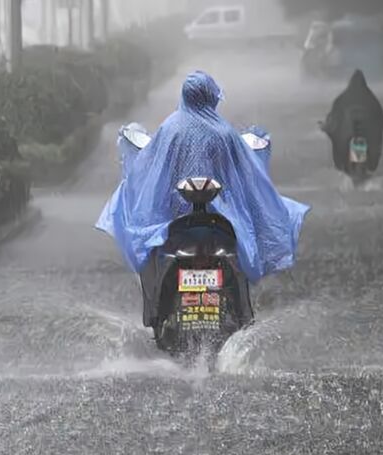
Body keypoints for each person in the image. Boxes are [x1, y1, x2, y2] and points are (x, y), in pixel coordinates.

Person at [96, 71, 310, 330]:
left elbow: (150, 171)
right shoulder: (224, 132)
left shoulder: (170, 128)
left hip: (174, 219)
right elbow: (246, 176)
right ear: (210, 97)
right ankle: (243, 312)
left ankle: (154, 313)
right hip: (223, 220)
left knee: (149, 252)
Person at [322, 69, 383, 174]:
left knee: (343, 151)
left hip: (347, 133)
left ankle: (347, 165)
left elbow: (334, 118)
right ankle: (365, 166)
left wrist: (327, 126)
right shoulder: (371, 99)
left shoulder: (342, 99)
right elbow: (379, 117)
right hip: (366, 133)